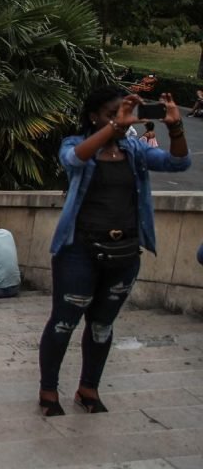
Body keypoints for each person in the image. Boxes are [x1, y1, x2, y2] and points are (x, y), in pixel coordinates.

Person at [38, 87, 190, 417]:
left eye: (124, 112)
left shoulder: (133, 150)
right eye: (112, 113)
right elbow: (74, 159)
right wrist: (114, 128)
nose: (121, 118)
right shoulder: (75, 144)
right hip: (79, 251)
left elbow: (179, 163)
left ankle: (88, 388)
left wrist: (175, 127)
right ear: (94, 116)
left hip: (124, 253)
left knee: (102, 326)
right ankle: (48, 390)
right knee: (64, 323)